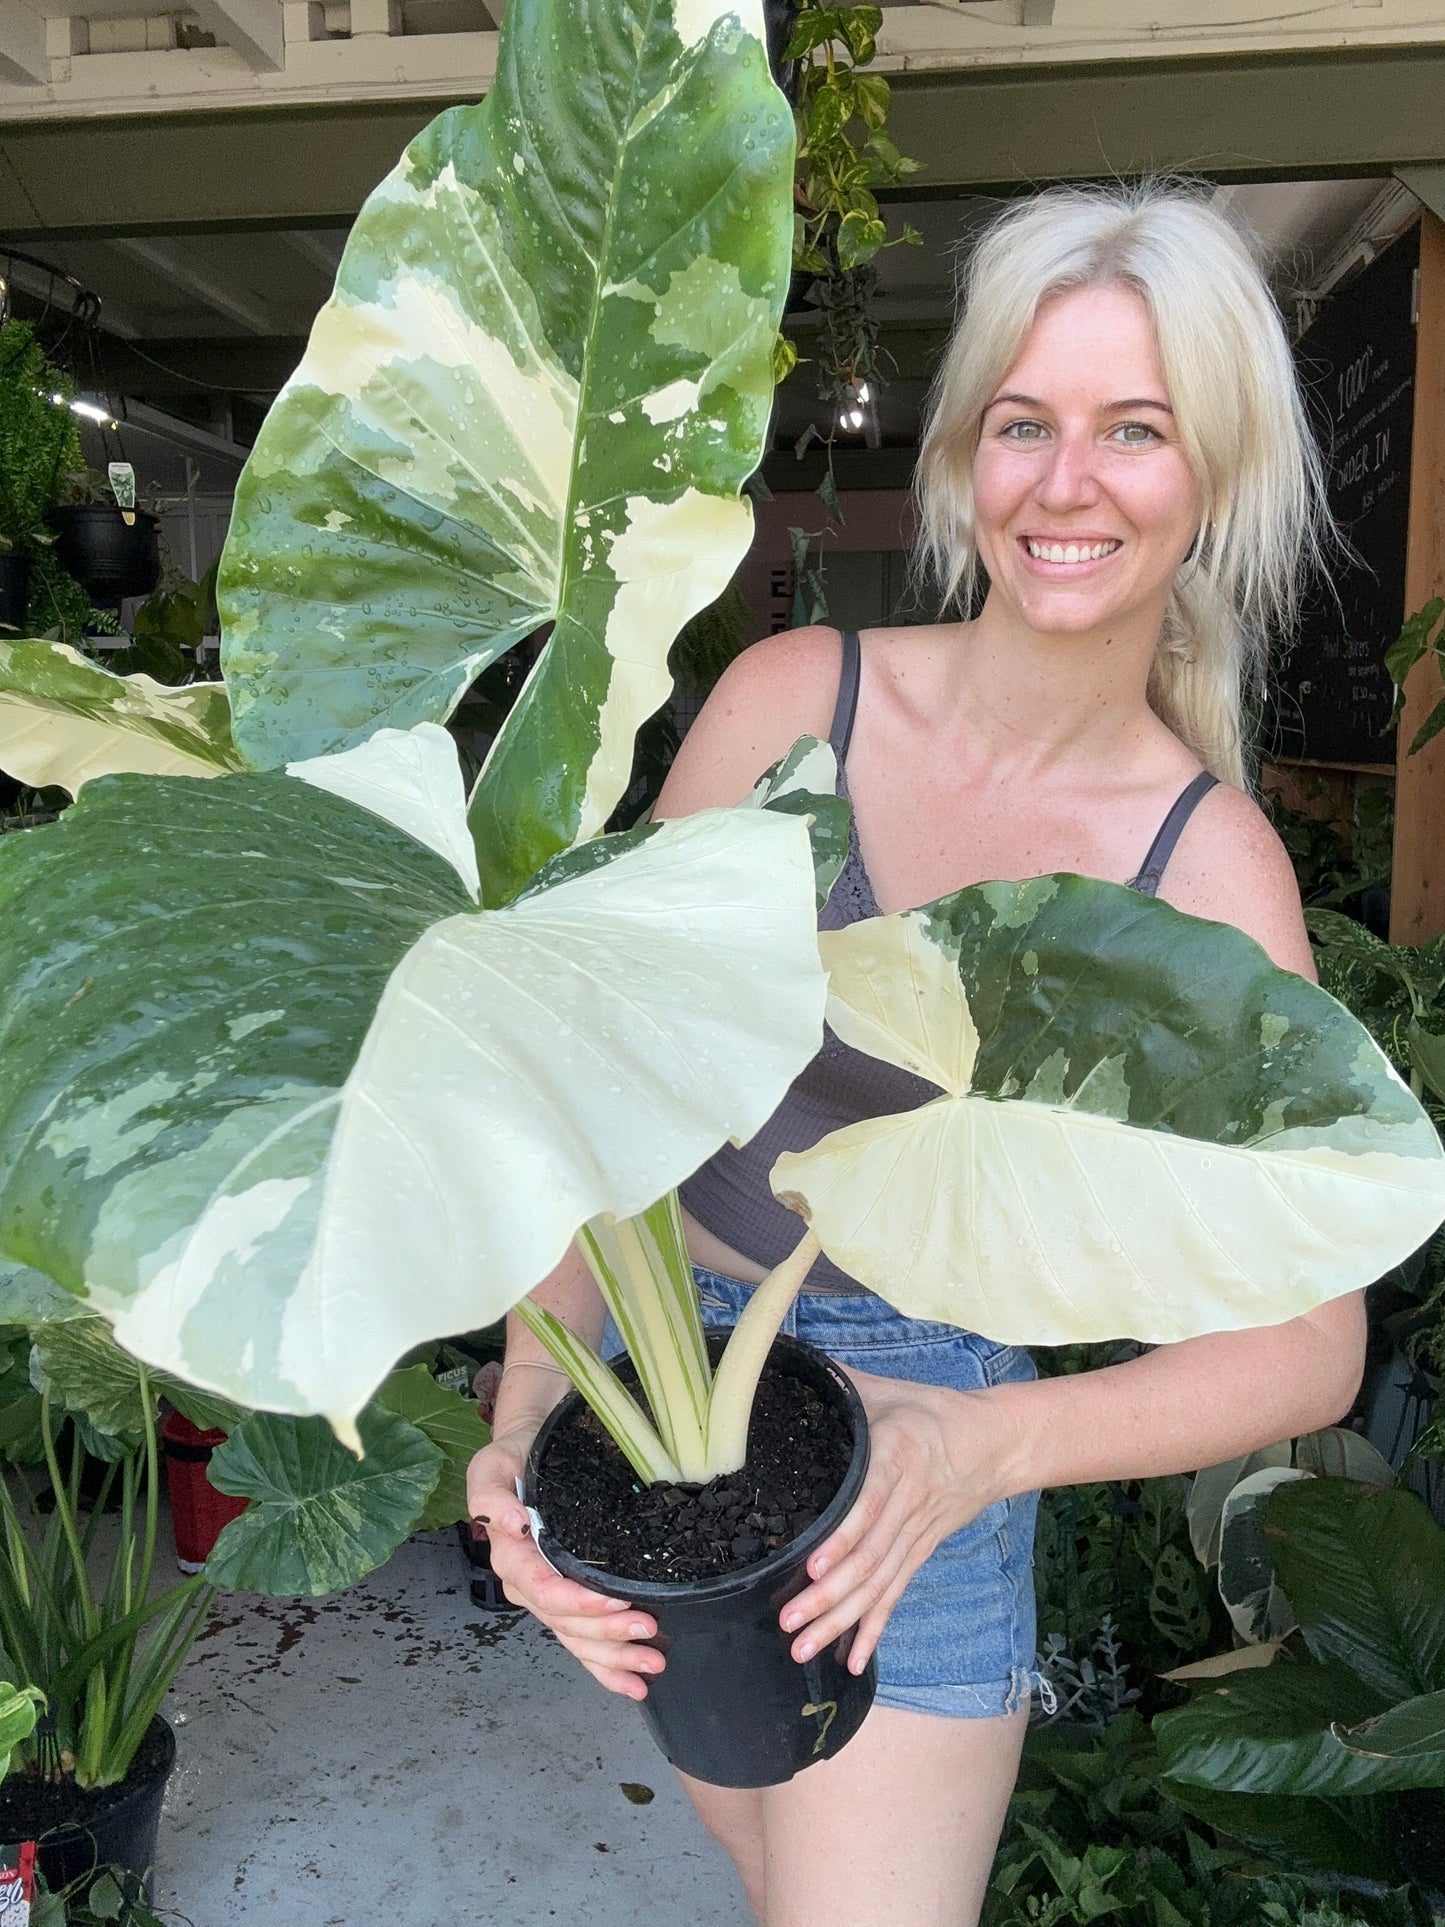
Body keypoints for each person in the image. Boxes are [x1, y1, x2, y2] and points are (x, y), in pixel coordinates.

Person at [467, 181, 1366, 1927]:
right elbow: (599, 1109)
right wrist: (525, 1418)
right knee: (757, 1859)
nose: (1065, 481)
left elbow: (1308, 1344)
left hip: (919, 1444)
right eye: (1023, 423)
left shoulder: (1200, 867)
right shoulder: (798, 703)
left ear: (1215, 478)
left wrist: (976, 1450)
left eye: (1135, 429)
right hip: (662, 1390)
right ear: (965, 454)